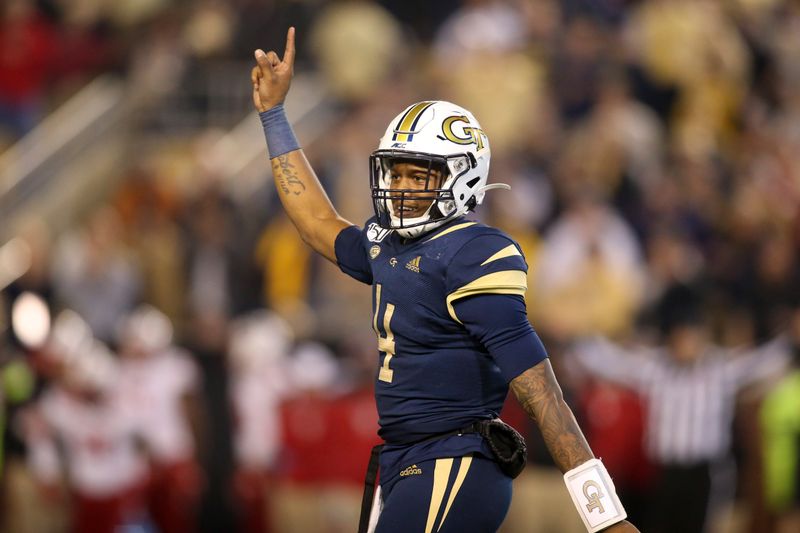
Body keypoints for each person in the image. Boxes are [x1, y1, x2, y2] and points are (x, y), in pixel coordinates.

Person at [251, 27, 638, 533]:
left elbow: (540, 391)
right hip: (403, 461)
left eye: (420, 176)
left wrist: (603, 516)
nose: (402, 188)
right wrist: (274, 116)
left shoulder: (474, 253)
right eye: (398, 173)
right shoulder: (387, 243)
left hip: (455, 460)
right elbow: (317, 222)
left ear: (463, 178)